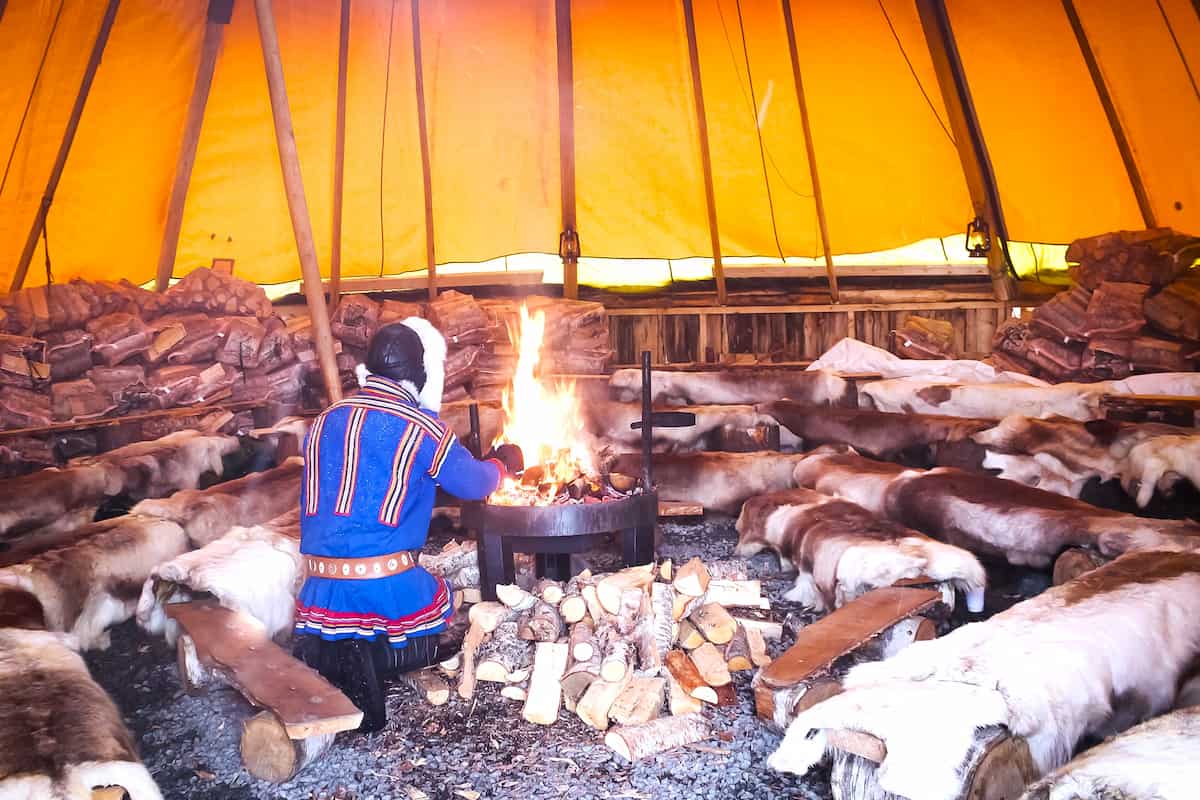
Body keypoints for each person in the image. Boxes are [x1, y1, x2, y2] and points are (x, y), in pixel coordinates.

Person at [293, 317, 522, 731]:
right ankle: (374, 659)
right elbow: (474, 484)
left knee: (352, 617)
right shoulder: (422, 428)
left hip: (320, 586)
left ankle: (327, 651)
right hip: (384, 585)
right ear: (419, 374)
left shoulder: (325, 419)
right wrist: (502, 463)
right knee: (446, 617)